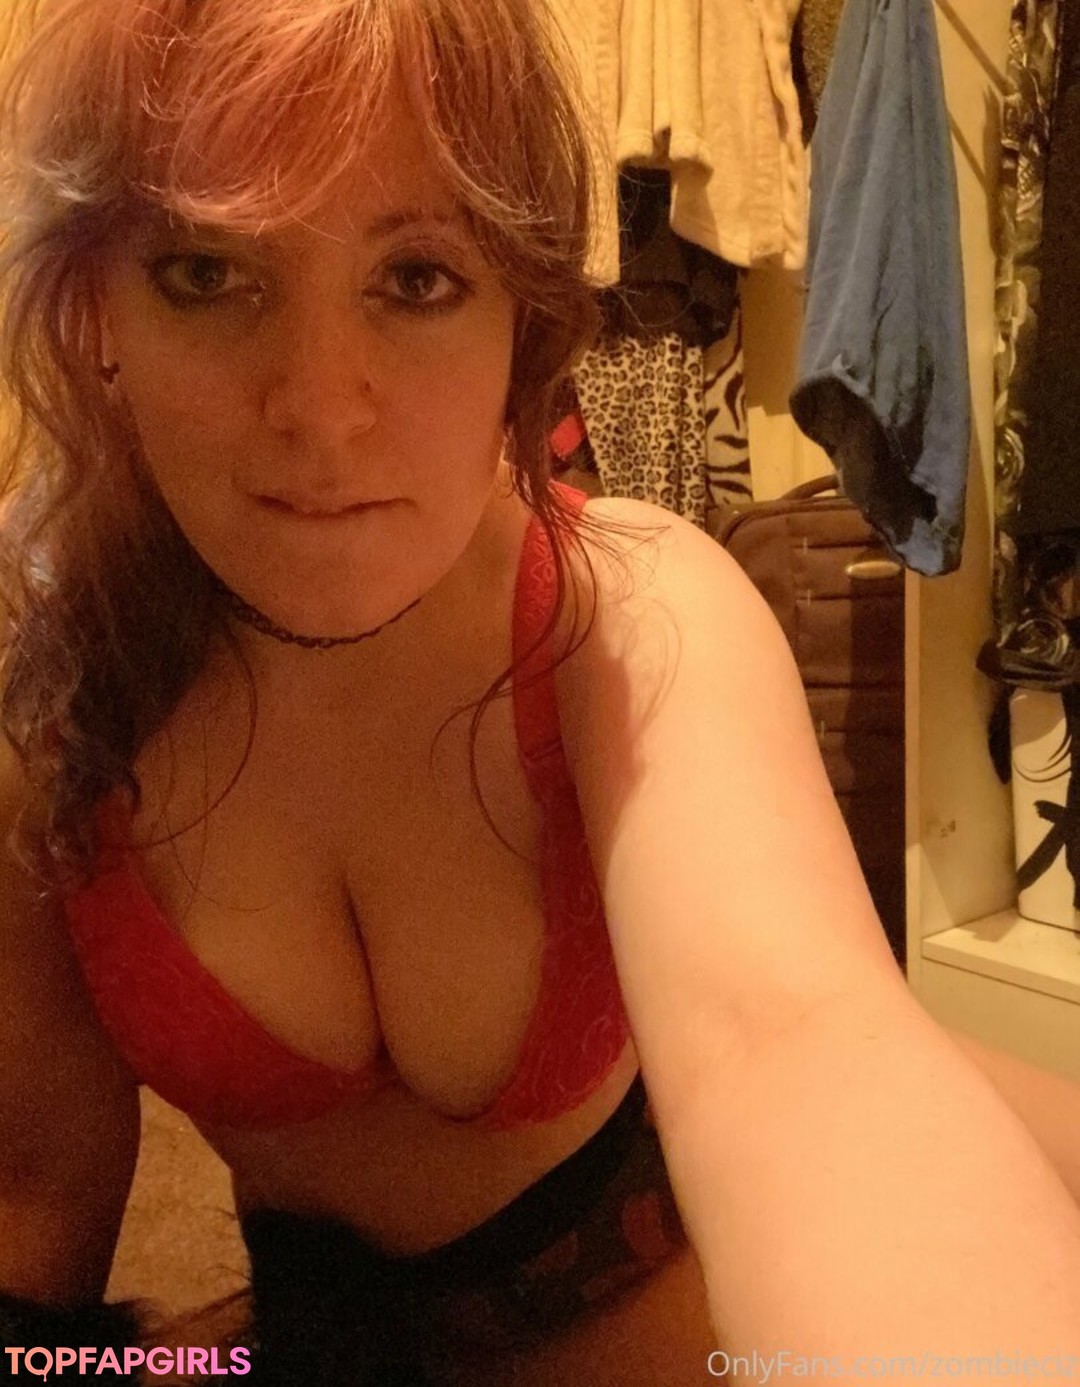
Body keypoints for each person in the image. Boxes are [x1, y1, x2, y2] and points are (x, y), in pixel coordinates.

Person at [0, 1, 1078, 1383]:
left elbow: (789, 1041)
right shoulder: (58, 715)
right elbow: (35, 1224)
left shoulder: (631, 612)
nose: (321, 408)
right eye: (208, 272)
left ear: (523, 316)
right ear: (97, 309)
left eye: (417, 279)